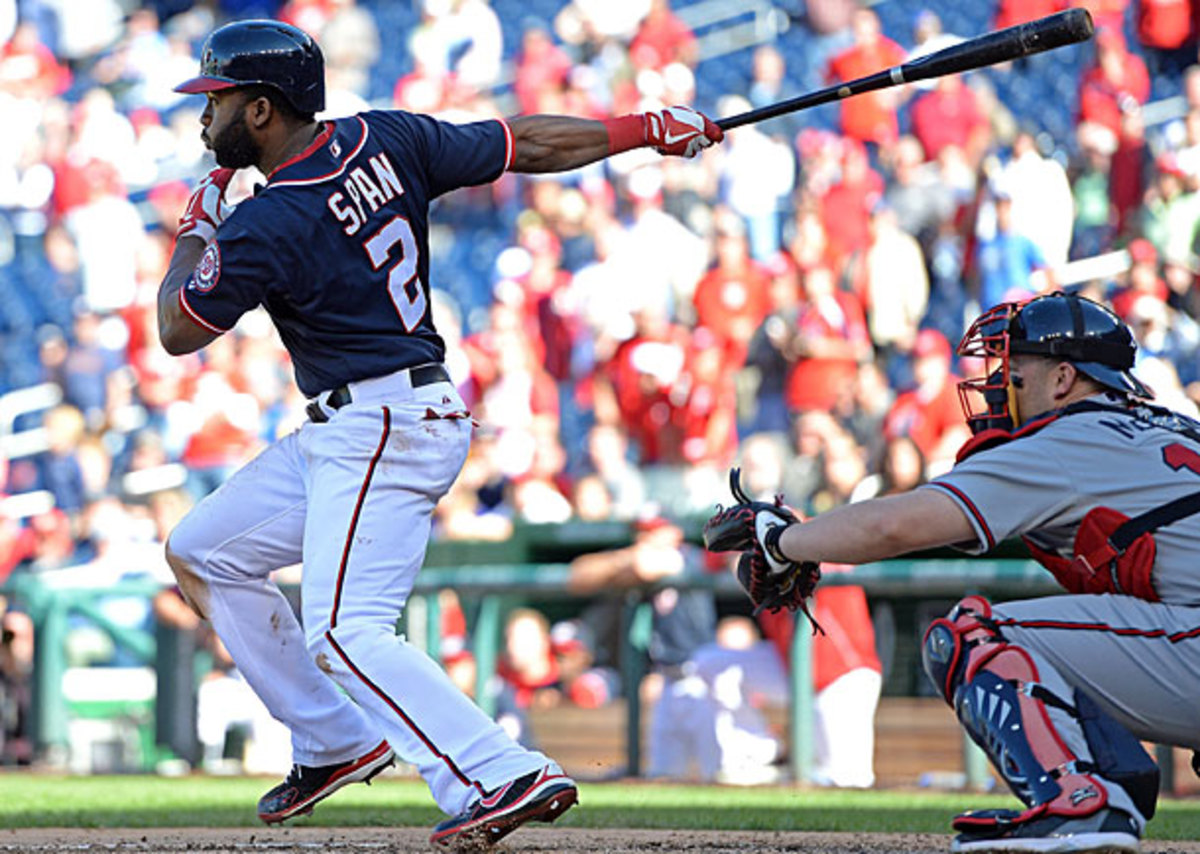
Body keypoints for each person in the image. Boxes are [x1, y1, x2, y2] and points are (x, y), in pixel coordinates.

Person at [156, 19, 722, 848]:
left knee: (349, 631)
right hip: (368, 421)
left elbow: (177, 329)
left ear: (264, 111)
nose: (206, 119)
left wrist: (196, 232)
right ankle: (333, 739)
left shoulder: (263, 224)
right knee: (204, 549)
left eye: (218, 101)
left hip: (382, 422)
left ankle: (501, 771)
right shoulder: (385, 137)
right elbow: (523, 141)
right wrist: (646, 130)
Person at [717, 292, 1185, 852]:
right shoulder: (1173, 427)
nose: (995, 386)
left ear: (1063, 379)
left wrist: (784, 540)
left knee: (974, 635)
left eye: (1012, 372)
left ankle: (1080, 805)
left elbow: (899, 526)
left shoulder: (1070, 436)